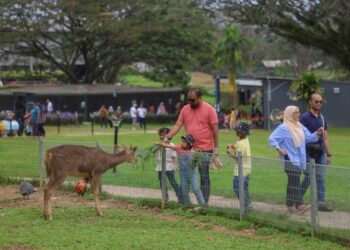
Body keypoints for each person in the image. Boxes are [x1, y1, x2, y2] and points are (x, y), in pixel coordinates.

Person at [165, 88, 219, 205]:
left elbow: (215, 130)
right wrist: (167, 138)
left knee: (204, 176)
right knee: (185, 174)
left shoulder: (210, 110)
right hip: (188, 149)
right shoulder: (185, 109)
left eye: (192, 100)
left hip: (205, 150)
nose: (190, 102)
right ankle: (185, 202)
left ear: (200, 98)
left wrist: (216, 148)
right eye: (188, 100)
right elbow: (178, 125)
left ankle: (204, 204)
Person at [269, 105, 324, 213]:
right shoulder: (283, 127)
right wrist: (278, 148)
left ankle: (289, 206)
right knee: (295, 180)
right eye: (295, 113)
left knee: (292, 181)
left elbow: (309, 137)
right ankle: (300, 204)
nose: (298, 114)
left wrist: (317, 133)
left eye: (298, 112)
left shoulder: (300, 126)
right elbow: (272, 138)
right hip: (288, 159)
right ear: (289, 114)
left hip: (299, 159)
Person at [300, 93, 333, 212]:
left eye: (320, 102)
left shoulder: (322, 118)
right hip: (309, 153)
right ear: (310, 102)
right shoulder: (304, 118)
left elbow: (325, 138)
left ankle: (321, 204)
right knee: (308, 177)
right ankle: (297, 200)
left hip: (321, 153)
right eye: (316, 101)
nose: (319, 103)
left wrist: (328, 154)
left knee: (321, 178)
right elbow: (301, 136)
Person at [157, 134, 205, 207]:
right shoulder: (179, 148)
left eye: (184, 142)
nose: (182, 143)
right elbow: (169, 146)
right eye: (182, 141)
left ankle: (202, 205)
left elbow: (199, 159)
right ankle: (187, 205)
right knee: (184, 190)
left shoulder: (194, 151)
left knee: (196, 189)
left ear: (189, 144)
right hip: (182, 174)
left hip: (192, 174)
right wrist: (160, 144)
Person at [227, 123, 252, 210]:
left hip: (240, 171)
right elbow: (239, 147)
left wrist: (230, 153)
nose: (236, 132)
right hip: (247, 169)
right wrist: (233, 146)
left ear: (242, 133)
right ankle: (248, 205)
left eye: (238, 131)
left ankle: (246, 206)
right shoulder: (244, 140)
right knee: (244, 189)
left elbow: (238, 159)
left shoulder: (241, 143)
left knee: (237, 188)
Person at [154, 127, 181, 202]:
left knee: (173, 182)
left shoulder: (171, 145)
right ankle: (165, 197)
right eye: (161, 135)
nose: (162, 137)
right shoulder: (158, 145)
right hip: (160, 167)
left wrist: (176, 166)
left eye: (164, 135)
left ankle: (179, 196)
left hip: (169, 167)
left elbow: (174, 157)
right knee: (162, 182)